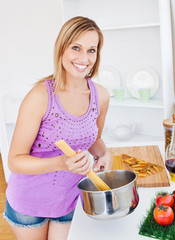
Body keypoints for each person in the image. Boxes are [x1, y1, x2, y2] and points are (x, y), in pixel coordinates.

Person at [3, 16, 112, 240]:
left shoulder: (100, 95)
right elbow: (15, 160)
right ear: (60, 47)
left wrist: (104, 153)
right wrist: (61, 163)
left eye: (92, 50)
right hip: (29, 202)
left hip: (71, 199)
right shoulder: (40, 96)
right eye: (76, 48)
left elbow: (93, 138)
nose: (84, 58)